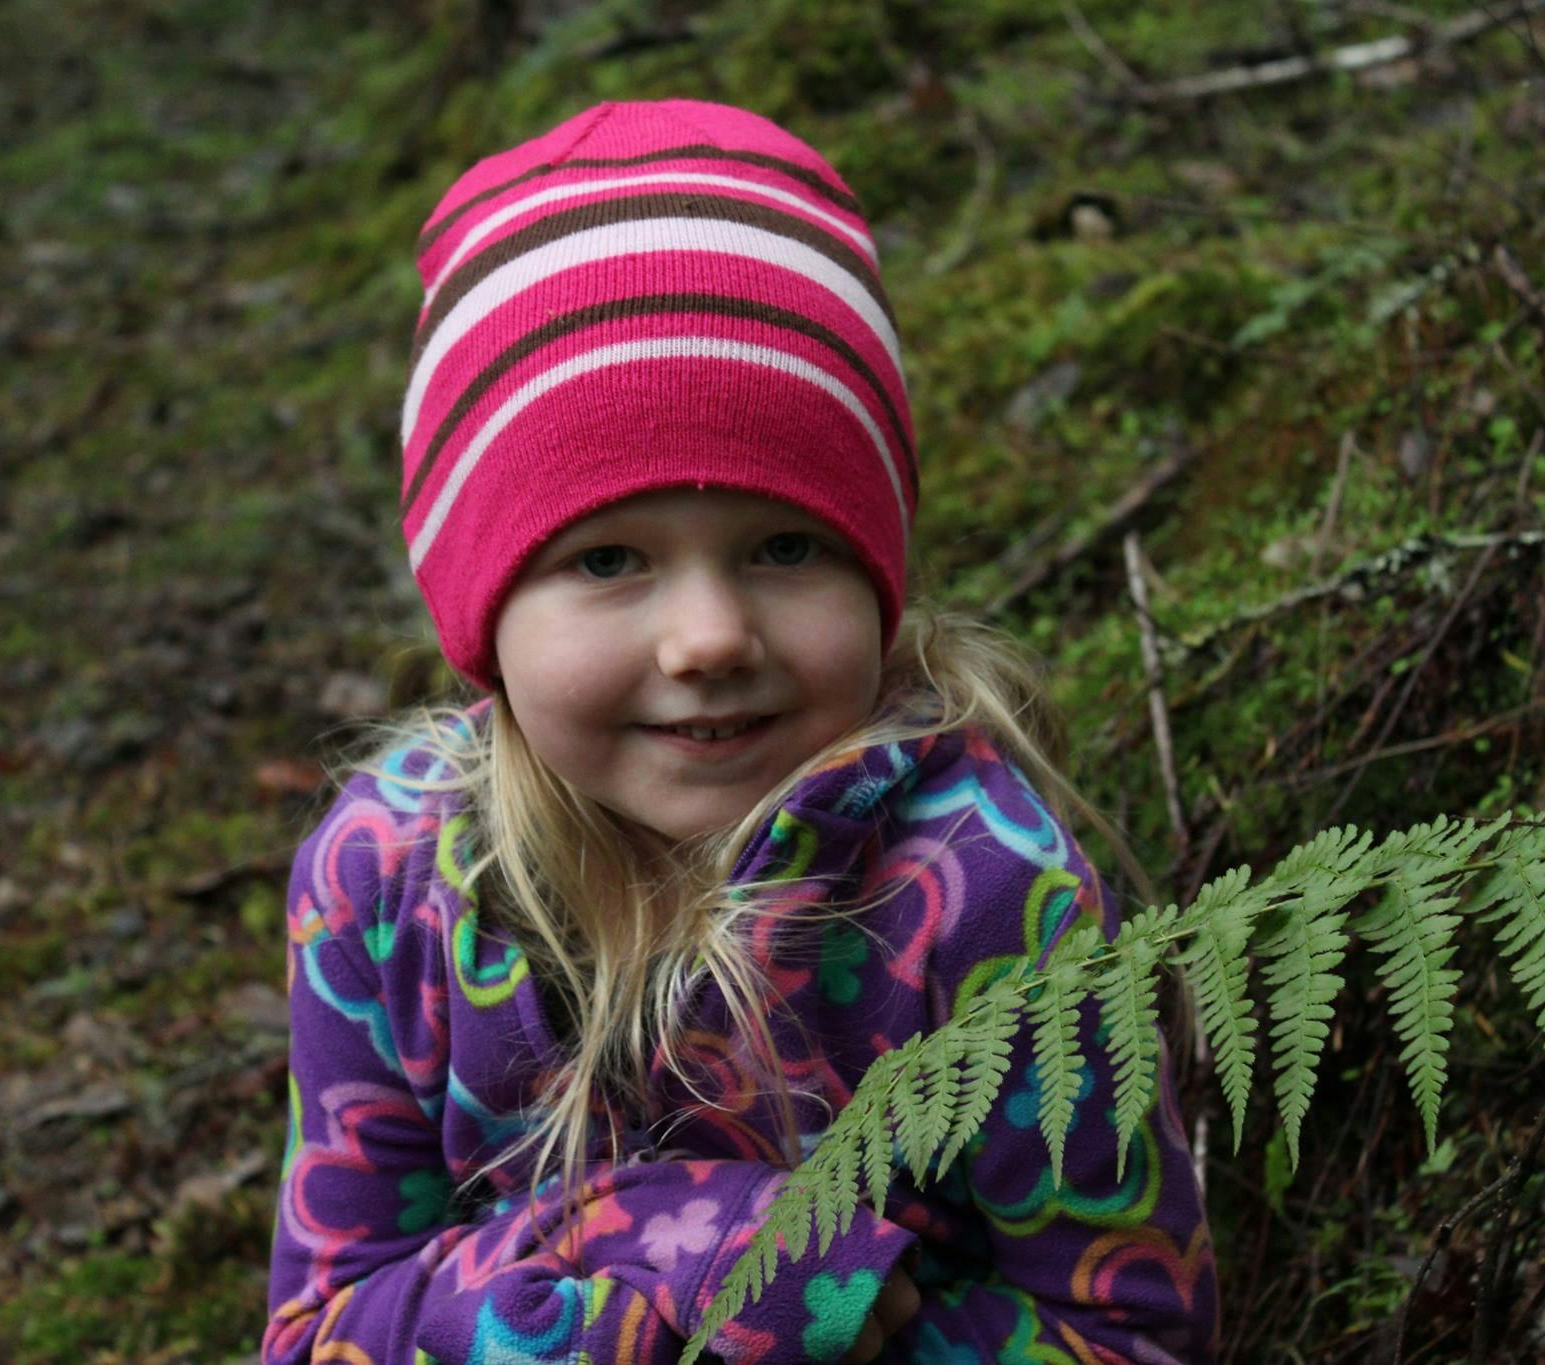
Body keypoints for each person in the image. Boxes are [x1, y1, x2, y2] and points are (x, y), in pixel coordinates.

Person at [262, 98, 1217, 1364]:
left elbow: (1134, 1332)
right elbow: (320, 1330)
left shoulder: (983, 892)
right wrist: (671, 1247)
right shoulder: (383, 882)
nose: (708, 637)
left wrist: (804, 1310)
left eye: (784, 547)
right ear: (476, 608)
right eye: (608, 558)